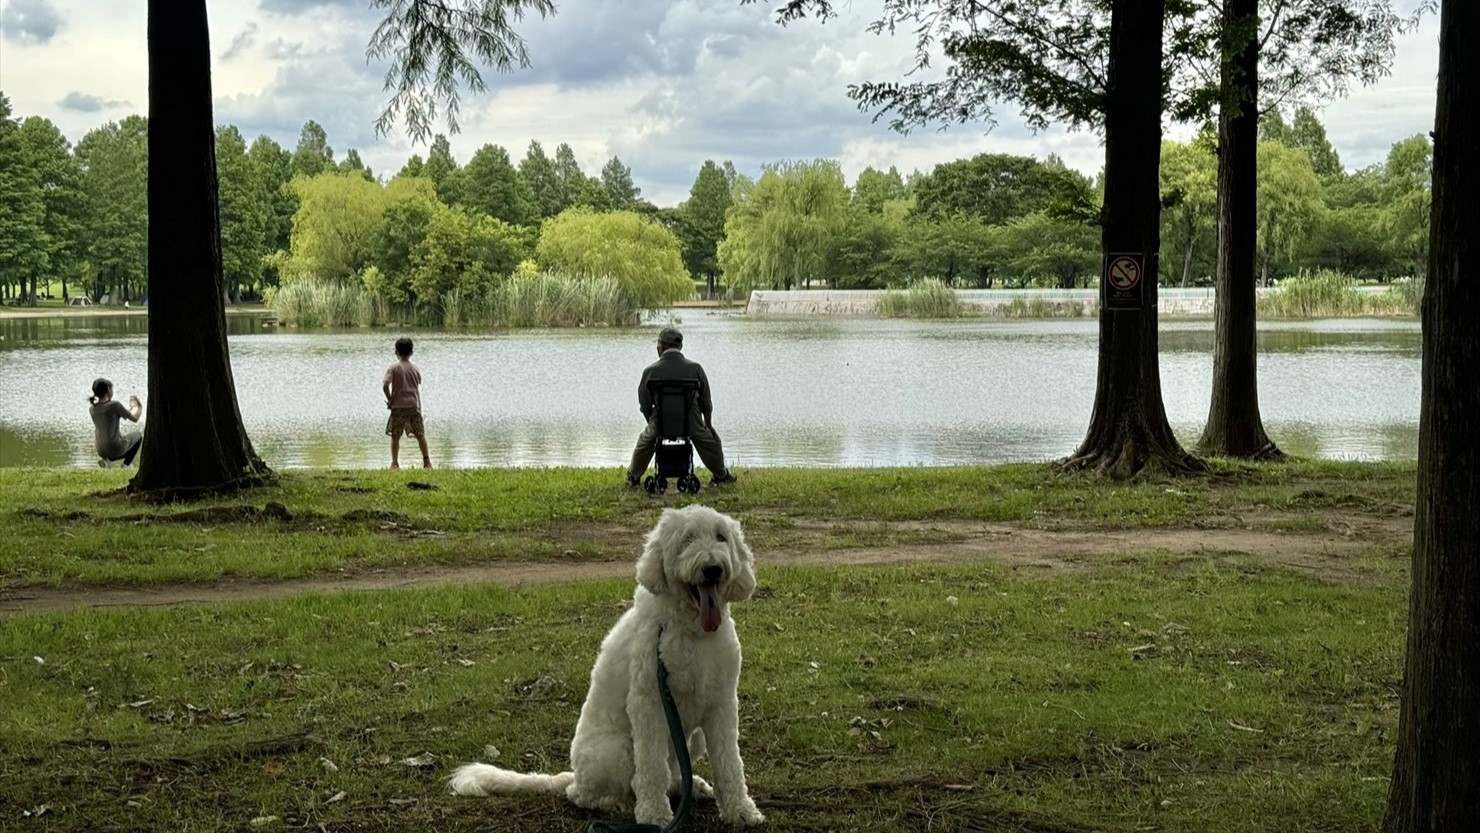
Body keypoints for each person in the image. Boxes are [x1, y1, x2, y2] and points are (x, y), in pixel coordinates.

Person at [626, 326, 737, 487]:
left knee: (645, 441)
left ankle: (634, 476)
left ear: (661, 346)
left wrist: (652, 421)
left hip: (661, 424)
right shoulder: (696, 369)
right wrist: (708, 425)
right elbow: (706, 402)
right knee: (712, 441)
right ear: (680, 347)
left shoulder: (650, 371)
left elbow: (644, 404)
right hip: (691, 424)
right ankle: (721, 474)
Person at [383, 337, 431, 469]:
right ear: (411, 353)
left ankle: (394, 463)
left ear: (396, 352)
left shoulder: (393, 368)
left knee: (395, 435)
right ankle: (427, 461)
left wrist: (390, 399)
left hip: (398, 406)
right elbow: (417, 384)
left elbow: (385, 385)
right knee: (420, 434)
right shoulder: (415, 369)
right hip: (413, 406)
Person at [88, 378, 143, 467]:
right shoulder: (114, 405)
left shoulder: (92, 409)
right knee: (138, 435)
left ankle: (107, 460)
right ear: (109, 389)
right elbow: (135, 419)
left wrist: (127, 410)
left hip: (100, 449)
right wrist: (140, 407)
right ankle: (126, 465)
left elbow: (109, 419)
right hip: (114, 447)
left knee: (122, 440)